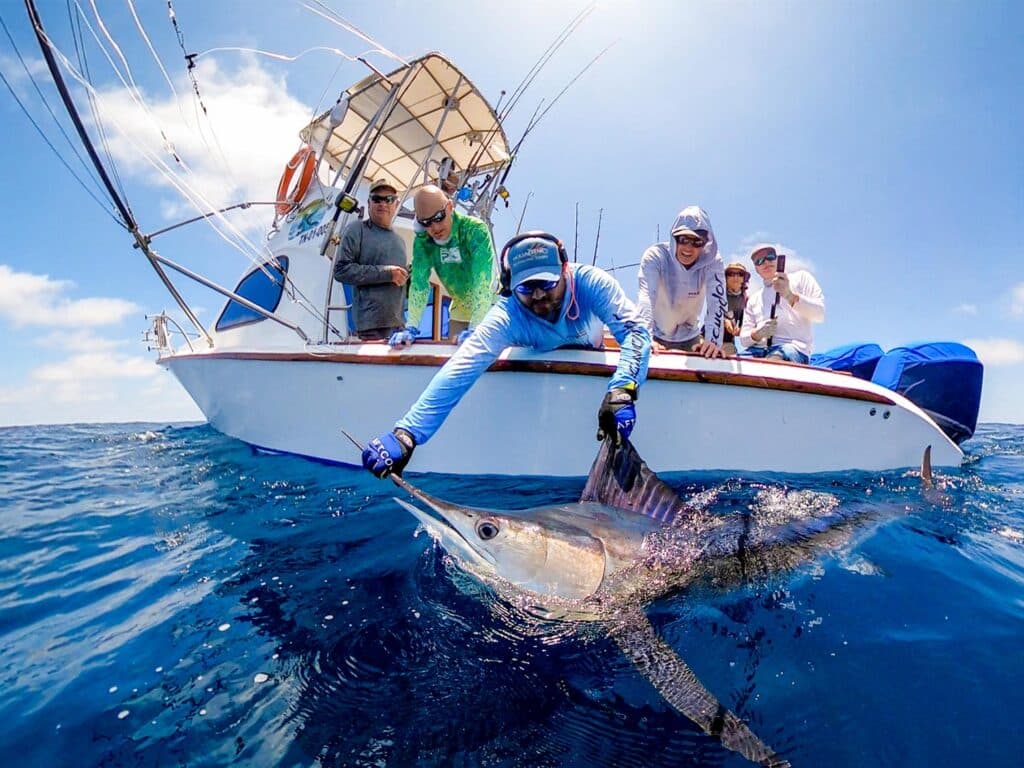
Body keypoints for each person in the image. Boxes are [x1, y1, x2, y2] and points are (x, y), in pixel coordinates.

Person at [361, 231, 652, 478]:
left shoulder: (592, 283)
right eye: (526, 287)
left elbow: (636, 332)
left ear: (565, 271)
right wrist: (407, 434)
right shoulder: (507, 315)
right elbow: (462, 367)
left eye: (546, 283)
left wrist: (623, 389)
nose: (538, 295)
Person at [387, 185, 497, 347]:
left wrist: (476, 327)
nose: (435, 228)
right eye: (426, 223)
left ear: (450, 207)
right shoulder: (423, 241)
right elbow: (419, 284)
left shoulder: (475, 229)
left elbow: (482, 281)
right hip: (458, 314)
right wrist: (411, 326)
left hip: (490, 309)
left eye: (439, 217)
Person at [637, 205, 726, 358]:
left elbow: (716, 301)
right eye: (684, 240)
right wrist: (644, 336)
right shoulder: (655, 256)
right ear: (674, 238)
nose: (688, 248)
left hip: (691, 339)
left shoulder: (713, 261)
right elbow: (646, 296)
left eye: (697, 242)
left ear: (706, 244)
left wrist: (713, 341)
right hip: (655, 336)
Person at [332, 179, 408, 340]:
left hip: (399, 327)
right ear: (369, 203)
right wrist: (387, 273)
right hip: (370, 329)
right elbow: (341, 271)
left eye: (389, 199)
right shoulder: (355, 229)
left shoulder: (400, 241)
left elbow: (400, 285)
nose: (383, 204)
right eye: (377, 199)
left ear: (396, 204)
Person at [739, 244, 825, 364]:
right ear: (757, 269)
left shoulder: (802, 278)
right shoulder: (753, 299)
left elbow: (819, 314)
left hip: (792, 348)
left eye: (770, 256)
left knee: (774, 360)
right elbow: (744, 339)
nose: (766, 262)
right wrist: (758, 333)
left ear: (778, 259)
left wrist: (790, 295)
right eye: (759, 261)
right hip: (758, 350)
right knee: (729, 363)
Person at [722, 262, 750, 356]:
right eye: (731, 274)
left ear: (744, 279)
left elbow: (746, 325)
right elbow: (711, 315)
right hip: (707, 338)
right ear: (725, 278)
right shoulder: (718, 294)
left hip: (727, 344)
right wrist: (724, 321)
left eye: (740, 274)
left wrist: (740, 330)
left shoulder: (747, 301)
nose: (735, 277)